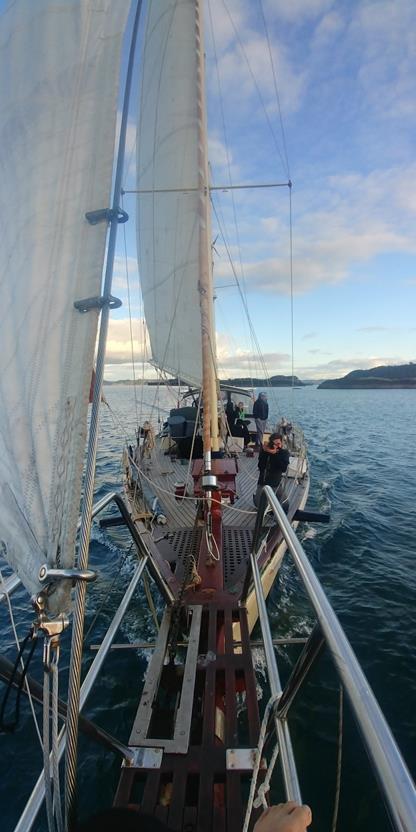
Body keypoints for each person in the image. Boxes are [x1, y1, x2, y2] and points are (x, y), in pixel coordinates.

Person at [254, 432, 289, 507]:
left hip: (275, 484)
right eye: (275, 444)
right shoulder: (266, 452)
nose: (277, 446)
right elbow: (261, 466)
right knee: (259, 505)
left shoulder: (284, 453)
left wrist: (275, 454)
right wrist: (265, 452)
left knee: (285, 505)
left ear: (282, 443)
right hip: (263, 483)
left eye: (278, 444)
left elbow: (283, 469)